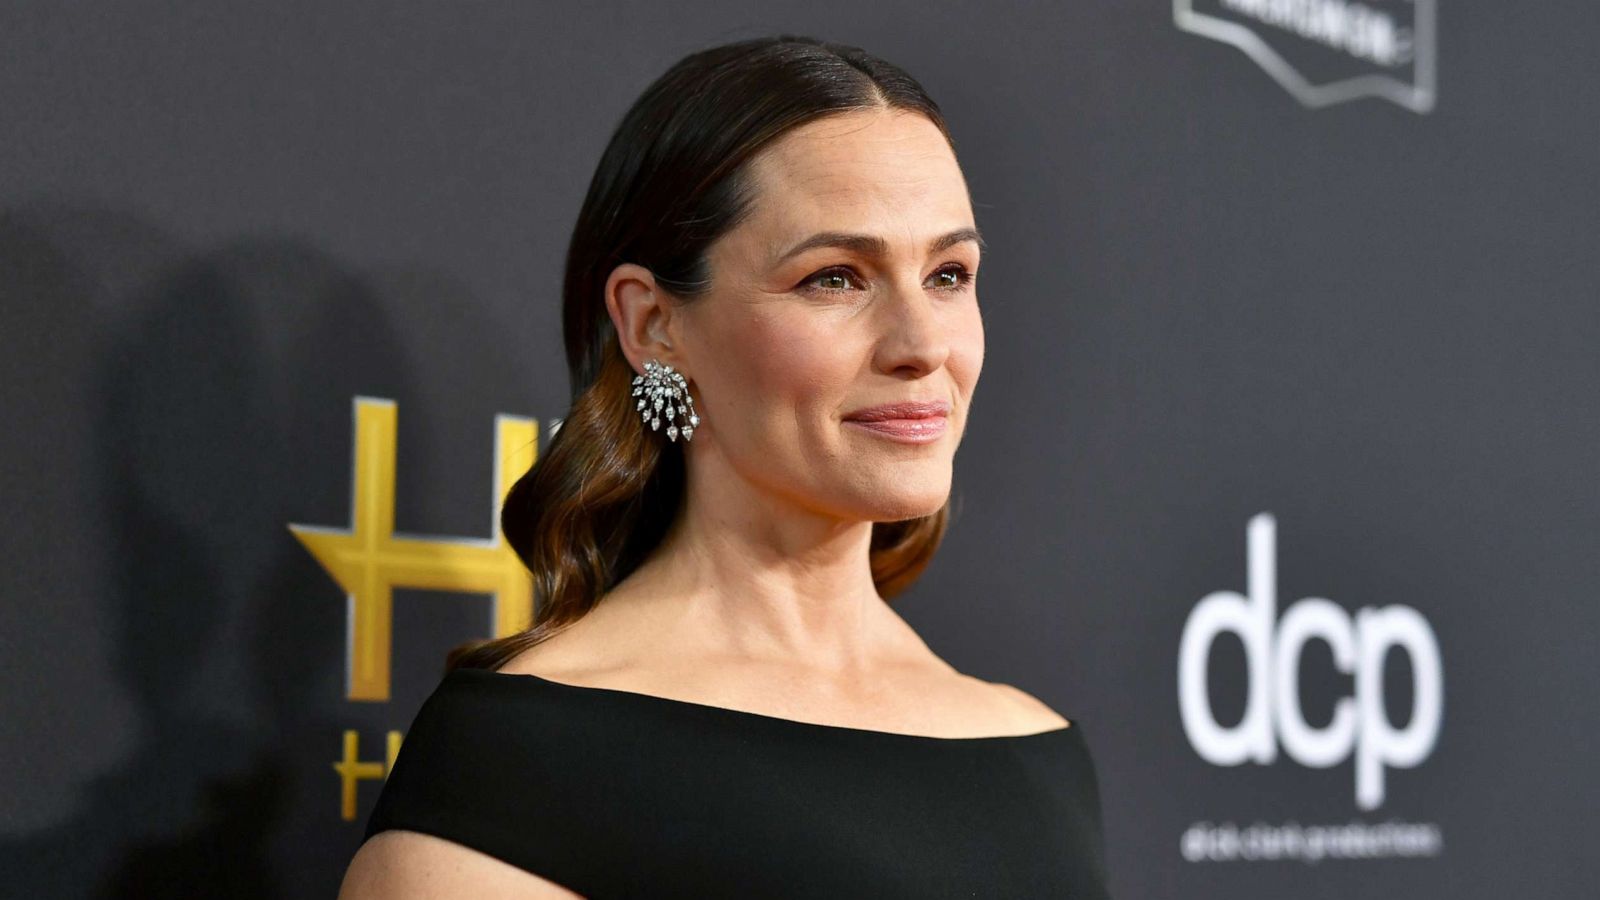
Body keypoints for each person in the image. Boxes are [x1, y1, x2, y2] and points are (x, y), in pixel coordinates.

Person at [338, 34, 1111, 899]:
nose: (924, 345)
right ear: (654, 325)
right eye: (835, 278)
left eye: (949, 273)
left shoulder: (1037, 748)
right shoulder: (521, 770)